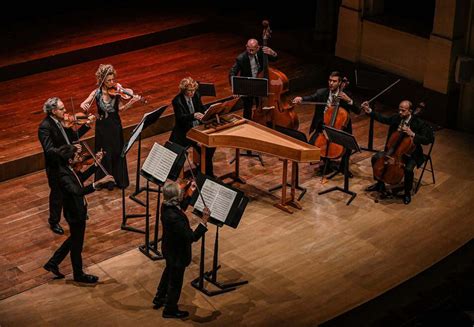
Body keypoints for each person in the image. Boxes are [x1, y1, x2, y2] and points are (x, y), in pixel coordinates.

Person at [43, 144, 114, 283]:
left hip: (77, 210)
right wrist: (97, 183)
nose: (79, 157)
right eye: (76, 156)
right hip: (74, 214)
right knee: (77, 246)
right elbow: (77, 191)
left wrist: (96, 165)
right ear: (70, 160)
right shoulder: (63, 175)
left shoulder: (68, 169)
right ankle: (78, 275)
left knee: (74, 239)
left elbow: (80, 178)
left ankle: (53, 262)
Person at [152, 181, 209, 319]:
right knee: (176, 282)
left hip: (169, 248)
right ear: (176, 198)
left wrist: (190, 193)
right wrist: (204, 221)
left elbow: (180, 207)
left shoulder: (165, 206)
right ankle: (170, 309)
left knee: (168, 272)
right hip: (177, 253)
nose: (183, 190)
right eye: (181, 191)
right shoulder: (175, 218)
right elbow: (191, 237)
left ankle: (159, 297)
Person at [38, 97, 95, 235]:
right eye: (62, 109)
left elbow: (73, 137)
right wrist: (70, 148)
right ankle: (54, 221)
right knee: (57, 194)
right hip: (56, 166)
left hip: (70, 163)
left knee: (74, 188)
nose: (65, 111)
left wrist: (87, 125)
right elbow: (49, 150)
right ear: (53, 111)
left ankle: (77, 212)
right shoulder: (45, 127)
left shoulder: (62, 122)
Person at [361, 100, 434, 204]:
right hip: (393, 152)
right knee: (375, 158)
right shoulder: (397, 118)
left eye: (403, 110)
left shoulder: (419, 123)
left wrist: (412, 134)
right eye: (399, 110)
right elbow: (384, 119)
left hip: (411, 154)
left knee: (408, 170)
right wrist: (369, 111)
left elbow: (428, 139)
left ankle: (407, 193)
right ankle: (380, 183)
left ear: (410, 111)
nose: (400, 112)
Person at [80, 64, 140, 190]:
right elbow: (84, 103)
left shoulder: (117, 91)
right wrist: (84, 105)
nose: (112, 82)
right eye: (108, 80)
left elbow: (120, 109)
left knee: (117, 151)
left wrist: (131, 102)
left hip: (115, 125)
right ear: (102, 79)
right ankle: (105, 181)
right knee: (105, 153)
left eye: (113, 79)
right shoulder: (96, 93)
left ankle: (119, 180)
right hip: (102, 127)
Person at [292, 71, 360, 175]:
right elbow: (311, 97)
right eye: (330, 80)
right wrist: (301, 98)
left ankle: (344, 168)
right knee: (313, 145)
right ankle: (326, 164)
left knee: (347, 146)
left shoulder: (345, 95)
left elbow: (358, 111)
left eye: (334, 81)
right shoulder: (322, 92)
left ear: (340, 83)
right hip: (323, 126)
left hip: (339, 127)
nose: (331, 83)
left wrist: (349, 100)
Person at [169, 77, 216, 177]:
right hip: (185, 132)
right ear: (184, 90)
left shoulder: (196, 95)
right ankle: (208, 175)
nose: (192, 93)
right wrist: (193, 115)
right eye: (190, 91)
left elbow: (201, 108)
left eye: (193, 90)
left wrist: (207, 112)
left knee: (211, 146)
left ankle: (203, 170)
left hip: (197, 128)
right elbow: (180, 119)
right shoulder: (177, 101)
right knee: (205, 149)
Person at [229, 38, 278, 120]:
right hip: (248, 84)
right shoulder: (241, 58)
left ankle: (263, 121)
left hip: (260, 83)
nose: (251, 52)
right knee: (247, 107)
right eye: (249, 49)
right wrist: (235, 88)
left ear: (258, 48)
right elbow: (232, 73)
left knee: (261, 105)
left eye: (253, 50)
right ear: (246, 46)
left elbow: (275, 59)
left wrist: (273, 53)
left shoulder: (263, 51)